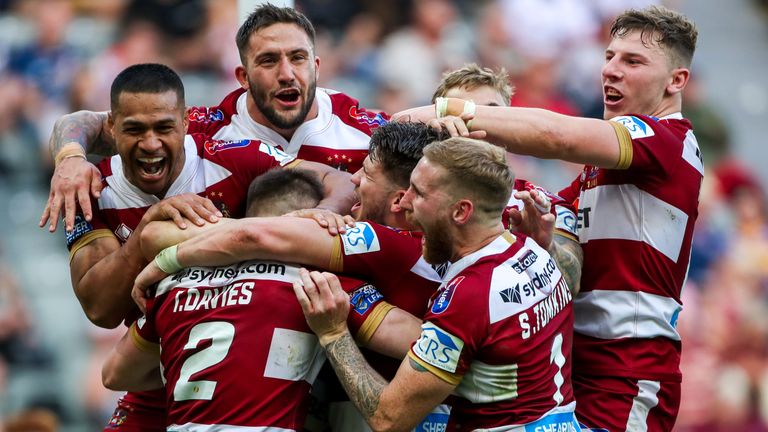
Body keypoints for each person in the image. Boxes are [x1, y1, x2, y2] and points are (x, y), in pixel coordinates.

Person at [396, 6, 701, 431]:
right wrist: (540, 242)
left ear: (676, 81)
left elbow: (557, 135)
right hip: (573, 370)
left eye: (632, 62)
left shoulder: (668, 141)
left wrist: (449, 111)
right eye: (609, 57)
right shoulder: (596, 173)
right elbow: (556, 255)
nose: (611, 71)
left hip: (626, 376)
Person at [65, 62, 353, 431]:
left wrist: (320, 217)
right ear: (111, 128)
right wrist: (143, 237)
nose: (150, 144)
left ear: (186, 122)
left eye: (164, 128)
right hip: (158, 369)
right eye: (134, 129)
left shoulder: (234, 157)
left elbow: (339, 183)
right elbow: (100, 309)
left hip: (248, 369)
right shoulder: (90, 188)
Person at [101, 169, 421, 431]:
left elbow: (116, 374)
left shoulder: (171, 284)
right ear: (307, 220)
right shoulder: (316, 282)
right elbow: (415, 340)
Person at [294, 137, 578, 431]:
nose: (404, 201)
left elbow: (387, 418)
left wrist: (333, 333)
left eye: (417, 193)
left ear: (460, 212)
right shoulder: (532, 250)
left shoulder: (470, 297)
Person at [40, 3, 387, 234]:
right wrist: (69, 158)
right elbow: (86, 123)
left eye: (297, 59)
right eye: (268, 61)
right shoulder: (209, 126)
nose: (286, 74)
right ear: (242, 76)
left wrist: (443, 110)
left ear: (316, 67)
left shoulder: (368, 131)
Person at [431, 63, 582, 292]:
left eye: (492, 113)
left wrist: (546, 247)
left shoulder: (540, 205)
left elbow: (573, 284)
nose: (479, 123)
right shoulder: (409, 197)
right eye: (462, 114)